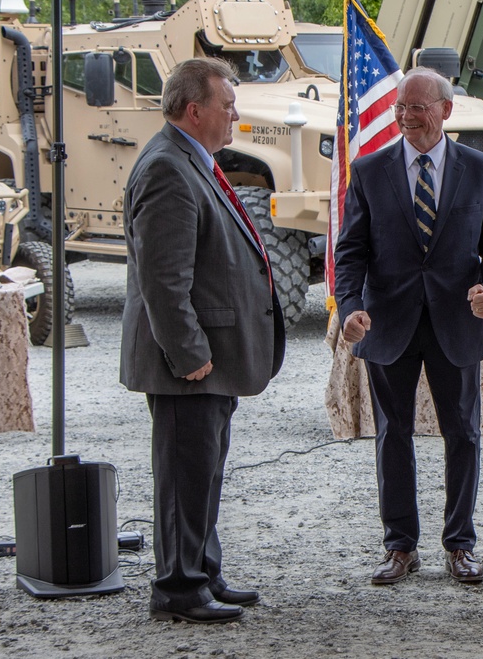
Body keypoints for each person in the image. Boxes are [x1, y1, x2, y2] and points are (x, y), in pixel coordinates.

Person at [333, 67, 483, 585]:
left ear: (446, 110)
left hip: (457, 322)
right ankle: (400, 547)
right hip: (387, 322)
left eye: (418, 108)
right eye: (400, 108)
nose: (407, 117)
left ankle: (460, 544)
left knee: (463, 434)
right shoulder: (369, 171)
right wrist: (349, 308)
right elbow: (351, 252)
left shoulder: (480, 169)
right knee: (393, 434)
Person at [120, 57, 286, 623]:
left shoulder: (192, 159)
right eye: (228, 106)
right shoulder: (168, 167)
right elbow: (163, 280)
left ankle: (202, 571)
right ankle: (178, 589)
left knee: (203, 470)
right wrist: (189, 353)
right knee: (184, 474)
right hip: (187, 361)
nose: (236, 116)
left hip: (207, 359)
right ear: (195, 110)